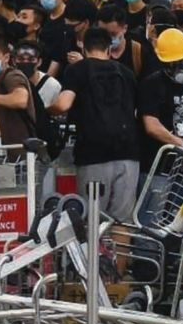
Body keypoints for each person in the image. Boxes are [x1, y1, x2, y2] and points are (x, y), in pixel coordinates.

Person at [49, 27, 139, 273]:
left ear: (83, 48)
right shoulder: (127, 73)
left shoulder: (78, 70)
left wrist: (47, 109)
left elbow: (64, 103)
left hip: (93, 154)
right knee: (122, 222)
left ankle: (92, 282)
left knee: (91, 220)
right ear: (110, 49)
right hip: (129, 153)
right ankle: (117, 282)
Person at [139, 28, 183, 169]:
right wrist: (181, 144)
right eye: (173, 63)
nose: (178, 66)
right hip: (158, 164)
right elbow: (152, 126)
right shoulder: (150, 84)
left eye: (182, 61)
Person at [97, 5, 144, 79]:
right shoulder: (94, 51)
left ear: (124, 28)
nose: (108, 38)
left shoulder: (138, 52)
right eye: (103, 34)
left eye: (113, 34)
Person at [14, 40, 61, 108]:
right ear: (14, 61)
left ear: (39, 62)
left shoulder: (52, 85)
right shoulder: (7, 81)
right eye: (21, 59)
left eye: (31, 59)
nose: (25, 63)